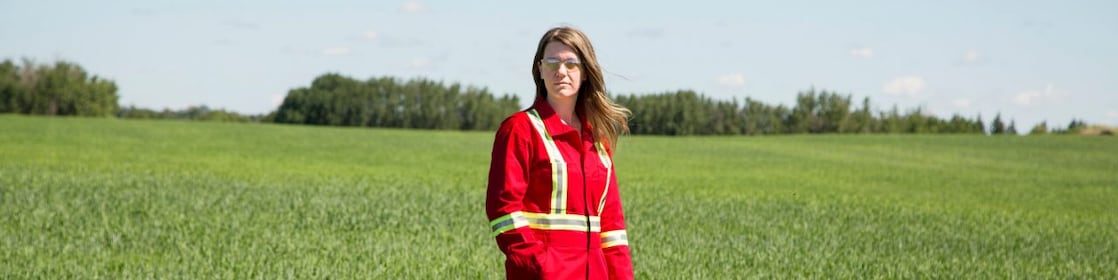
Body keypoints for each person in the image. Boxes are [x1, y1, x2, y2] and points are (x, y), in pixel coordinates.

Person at [486, 26, 633, 279]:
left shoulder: (597, 141)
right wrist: (540, 267)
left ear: (585, 72)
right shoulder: (520, 130)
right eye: (552, 62)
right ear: (540, 70)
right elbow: (503, 210)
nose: (561, 71)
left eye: (571, 63)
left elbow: (612, 227)